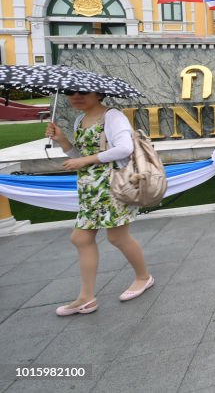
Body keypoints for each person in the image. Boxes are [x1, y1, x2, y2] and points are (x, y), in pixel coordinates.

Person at [45, 91, 153, 316]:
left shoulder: (113, 117)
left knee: (117, 237)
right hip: (90, 189)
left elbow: (124, 148)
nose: (75, 97)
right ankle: (86, 298)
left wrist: (84, 160)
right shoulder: (80, 119)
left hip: (111, 187)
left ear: (99, 94)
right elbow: (79, 154)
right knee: (81, 238)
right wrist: (62, 140)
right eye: (70, 93)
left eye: (82, 93)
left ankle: (143, 277)